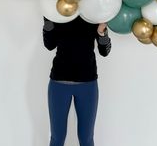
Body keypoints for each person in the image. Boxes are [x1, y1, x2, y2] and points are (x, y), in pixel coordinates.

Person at [43, 15, 111, 146]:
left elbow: (104, 51)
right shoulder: (57, 10)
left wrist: (102, 32)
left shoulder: (93, 11)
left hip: (87, 84)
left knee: (86, 138)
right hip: (59, 83)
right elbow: (49, 44)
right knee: (57, 138)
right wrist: (48, 20)